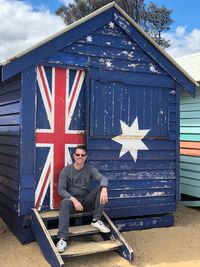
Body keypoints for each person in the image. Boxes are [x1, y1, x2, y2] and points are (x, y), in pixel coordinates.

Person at [56, 145, 110, 253]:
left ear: (86, 157)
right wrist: (74, 200)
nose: (80, 157)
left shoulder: (89, 169)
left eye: (82, 155)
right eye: (77, 154)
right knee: (64, 202)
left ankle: (96, 220)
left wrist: (104, 187)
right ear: (74, 156)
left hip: (86, 201)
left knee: (101, 188)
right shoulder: (66, 171)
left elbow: (103, 178)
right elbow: (61, 190)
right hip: (72, 204)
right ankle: (63, 239)